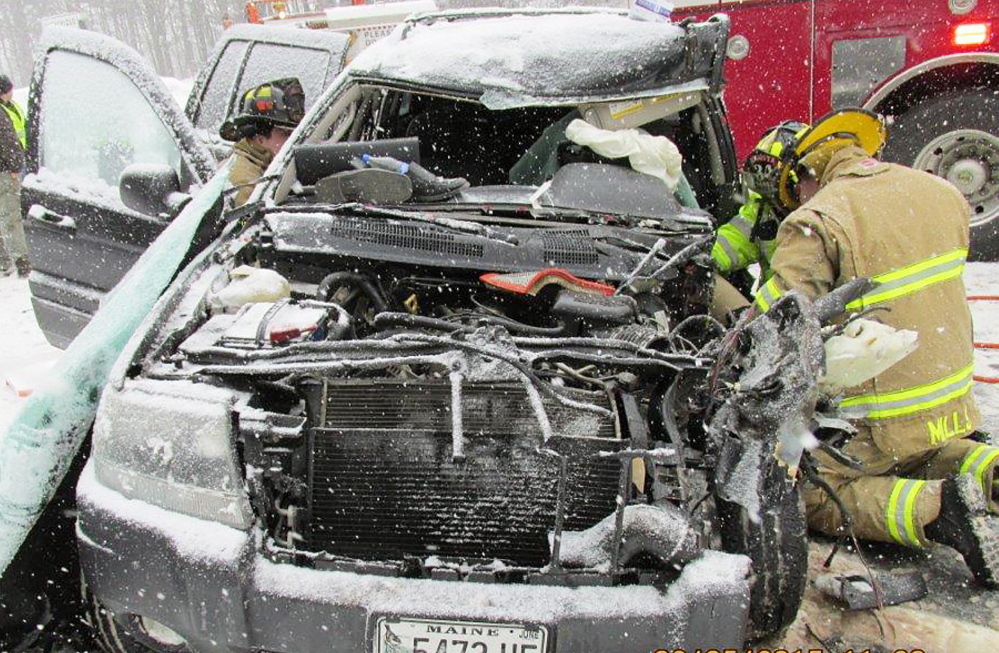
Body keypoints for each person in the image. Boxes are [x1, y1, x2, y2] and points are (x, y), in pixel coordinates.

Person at [751, 108, 999, 588]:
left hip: (882, 420)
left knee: (813, 491)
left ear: (805, 177)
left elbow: (775, 327)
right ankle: (988, 471)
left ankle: (941, 512)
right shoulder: (941, 192)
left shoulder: (817, 218)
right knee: (923, 454)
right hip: (951, 405)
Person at [220, 78, 305, 207]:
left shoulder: (267, 165)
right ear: (260, 138)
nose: (293, 140)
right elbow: (250, 219)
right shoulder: (244, 183)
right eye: (286, 134)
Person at [0, 74, 28, 278]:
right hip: (6, 171)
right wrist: (15, 165)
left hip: (9, 167)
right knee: (11, 217)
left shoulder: (10, 107)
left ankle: (5, 260)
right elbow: (8, 140)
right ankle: (21, 261)